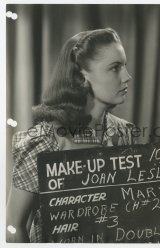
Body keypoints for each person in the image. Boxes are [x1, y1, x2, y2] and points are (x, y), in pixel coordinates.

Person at [6, 28, 137, 243]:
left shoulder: (124, 132)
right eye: (115, 68)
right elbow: (13, 227)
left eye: (124, 65)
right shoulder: (43, 141)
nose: (127, 76)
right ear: (81, 75)